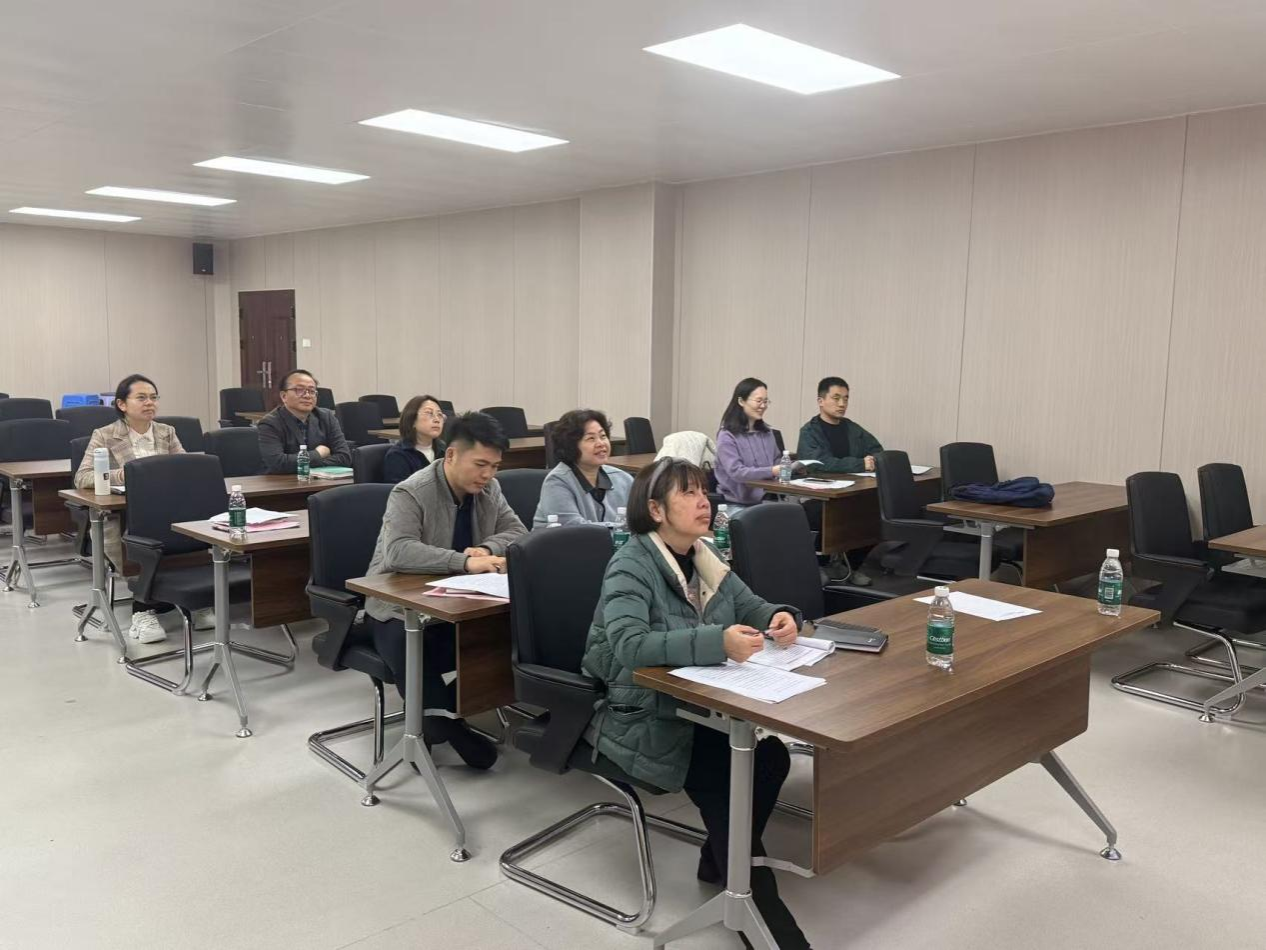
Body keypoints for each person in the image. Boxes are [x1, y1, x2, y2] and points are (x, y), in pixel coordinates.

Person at [582, 458, 811, 950]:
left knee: (770, 757)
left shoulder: (703, 556)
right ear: (655, 510)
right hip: (641, 712)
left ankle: (721, 860)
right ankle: (763, 917)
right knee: (727, 773)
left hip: (698, 703)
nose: (704, 501)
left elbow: (751, 605)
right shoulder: (631, 563)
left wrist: (780, 616)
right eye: (687, 493)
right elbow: (629, 646)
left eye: (704, 491)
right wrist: (716, 642)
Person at [363, 412, 527, 770]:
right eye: (480, 464)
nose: (488, 474)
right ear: (451, 454)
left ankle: (443, 714)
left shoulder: (490, 489)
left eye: (495, 467)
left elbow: (517, 531)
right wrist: (463, 562)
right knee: (413, 647)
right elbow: (398, 551)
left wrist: (485, 548)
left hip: (461, 601)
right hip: (396, 606)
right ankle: (443, 724)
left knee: (500, 640)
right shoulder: (411, 491)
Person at [73, 374, 195, 643]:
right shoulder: (105, 435)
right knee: (144, 537)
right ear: (122, 404)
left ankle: (191, 600)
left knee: (193, 528)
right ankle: (143, 609)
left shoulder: (166, 432)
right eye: (141, 398)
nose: (150, 403)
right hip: (124, 517)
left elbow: (185, 467)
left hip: (168, 508)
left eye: (153, 397)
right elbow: (82, 478)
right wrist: (122, 475)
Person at [533, 409, 633, 528]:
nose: (601, 443)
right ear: (571, 445)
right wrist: (623, 528)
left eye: (603, 436)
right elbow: (573, 528)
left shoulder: (623, 479)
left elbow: (643, 519)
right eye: (591, 439)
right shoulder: (557, 482)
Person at [257, 369, 352, 475]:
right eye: (299, 390)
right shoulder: (270, 423)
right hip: (282, 482)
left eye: (312, 391)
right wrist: (318, 454)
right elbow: (279, 463)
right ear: (284, 396)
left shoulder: (326, 417)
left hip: (320, 481)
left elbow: (344, 457)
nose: (307, 395)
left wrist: (302, 462)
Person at [714, 377, 788, 505]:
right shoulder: (727, 435)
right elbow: (737, 472)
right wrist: (772, 471)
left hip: (767, 500)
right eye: (759, 401)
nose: (763, 406)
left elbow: (777, 461)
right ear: (741, 401)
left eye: (766, 401)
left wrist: (789, 467)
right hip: (736, 502)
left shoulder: (767, 432)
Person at [796, 376, 883, 474]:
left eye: (845, 399)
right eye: (836, 398)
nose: (842, 404)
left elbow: (878, 452)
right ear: (821, 401)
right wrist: (860, 464)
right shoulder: (809, 431)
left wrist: (872, 461)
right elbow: (817, 464)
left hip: (856, 482)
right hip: (823, 482)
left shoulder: (852, 428)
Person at [383, 395, 447, 484]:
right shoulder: (398, 456)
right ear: (412, 421)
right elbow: (399, 491)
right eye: (429, 413)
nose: (437, 420)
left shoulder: (445, 450)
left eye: (439, 415)